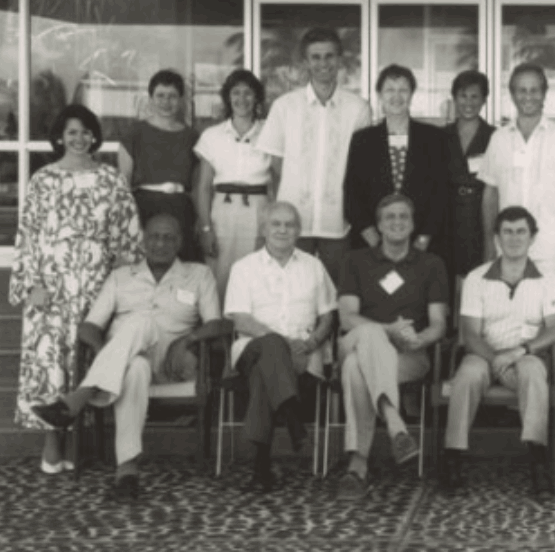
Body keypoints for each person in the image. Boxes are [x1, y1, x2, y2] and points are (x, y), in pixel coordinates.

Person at [30, 215, 221, 501]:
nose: (160, 243)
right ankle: (127, 473)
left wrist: (188, 341)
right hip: (124, 363)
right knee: (136, 368)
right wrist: (102, 353)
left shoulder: (198, 274)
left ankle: (79, 397)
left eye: (169, 237)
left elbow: (217, 324)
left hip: (172, 365)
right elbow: (89, 326)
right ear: (144, 241)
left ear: (180, 242)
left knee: (141, 321)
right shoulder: (121, 276)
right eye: (155, 236)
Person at [10, 105, 142, 474]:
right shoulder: (43, 180)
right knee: (52, 363)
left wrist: (125, 288)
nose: (79, 139)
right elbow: (28, 237)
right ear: (59, 137)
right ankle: (53, 442)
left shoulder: (111, 180)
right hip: (51, 286)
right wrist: (32, 284)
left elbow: (127, 236)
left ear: (95, 136)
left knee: (87, 359)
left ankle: (83, 443)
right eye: (72, 133)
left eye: (86, 132)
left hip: (97, 287)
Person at [441, 206, 555, 501]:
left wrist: (518, 352)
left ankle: (538, 460)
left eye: (521, 231)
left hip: (527, 355)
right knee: (467, 374)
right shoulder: (476, 278)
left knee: (534, 372)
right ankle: (453, 457)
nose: (514, 238)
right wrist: (495, 358)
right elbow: (470, 333)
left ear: (532, 237)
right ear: (496, 237)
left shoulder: (548, 278)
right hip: (484, 355)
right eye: (507, 232)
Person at [335, 193, 449, 500]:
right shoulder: (356, 260)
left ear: (413, 225)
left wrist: (418, 339)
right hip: (358, 340)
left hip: (408, 355)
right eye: (390, 217)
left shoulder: (431, 264)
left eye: (403, 217)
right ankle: (395, 423)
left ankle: (357, 467)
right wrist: (387, 331)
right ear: (379, 226)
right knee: (371, 335)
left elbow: (438, 323)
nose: (396, 222)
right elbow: (347, 318)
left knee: (354, 370)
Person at [223, 202, 337, 493]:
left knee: (267, 374)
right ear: (263, 229)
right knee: (270, 345)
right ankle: (293, 418)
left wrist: (312, 343)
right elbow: (241, 319)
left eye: (289, 224)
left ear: (299, 231)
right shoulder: (243, 267)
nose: (282, 230)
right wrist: (286, 345)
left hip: (304, 352)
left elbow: (328, 315)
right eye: (276, 224)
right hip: (252, 348)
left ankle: (261, 468)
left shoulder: (314, 266)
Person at [256, 27, 371, 280]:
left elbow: (362, 168)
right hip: (294, 222)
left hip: (338, 222)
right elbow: (276, 164)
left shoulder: (358, 108)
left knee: (338, 290)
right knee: (293, 286)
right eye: (316, 57)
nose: (323, 63)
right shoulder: (285, 106)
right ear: (305, 62)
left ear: (339, 60)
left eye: (329, 56)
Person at [479, 63, 555, 277]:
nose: (528, 96)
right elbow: (490, 195)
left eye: (534, 90)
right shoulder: (499, 139)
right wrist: (488, 242)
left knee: (546, 310)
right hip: (506, 246)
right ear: (512, 95)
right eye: (521, 90)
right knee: (509, 309)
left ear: (544, 94)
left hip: (550, 248)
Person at [343, 65, 453, 272]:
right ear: (379, 95)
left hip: (422, 245)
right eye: (390, 90)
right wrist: (376, 243)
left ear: (412, 94)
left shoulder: (434, 139)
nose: (396, 96)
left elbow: (441, 194)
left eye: (403, 90)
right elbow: (352, 194)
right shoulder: (362, 140)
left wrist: (421, 241)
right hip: (371, 246)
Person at [193, 69, 273, 298]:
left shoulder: (270, 132)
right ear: (228, 97)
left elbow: (276, 183)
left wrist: (271, 224)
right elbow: (204, 188)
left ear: (257, 97)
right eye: (236, 93)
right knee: (220, 275)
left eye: (248, 93)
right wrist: (206, 228)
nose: (242, 99)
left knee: (256, 274)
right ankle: (219, 330)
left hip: (258, 211)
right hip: (222, 213)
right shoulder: (212, 135)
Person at [119, 69, 201, 261]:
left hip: (181, 210)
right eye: (160, 96)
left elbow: (197, 185)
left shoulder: (192, 137)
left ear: (181, 100)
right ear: (151, 98)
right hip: (144, 209)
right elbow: (123, 184)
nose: (166, 102)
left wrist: (199, 220)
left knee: (182, 267)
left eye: (172, 96)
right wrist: (127, 222)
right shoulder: (135, 133)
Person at [446, 71, 496, 277]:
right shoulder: (440, 136)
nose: (468, 102)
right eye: (463, 96)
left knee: (478, 279)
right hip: (447, 218)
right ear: (454, 98)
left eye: (475, 96)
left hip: (480, 217)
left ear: (484, 100)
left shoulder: (495, 137)